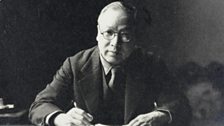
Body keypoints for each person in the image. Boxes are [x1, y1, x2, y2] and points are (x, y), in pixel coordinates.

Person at [29, 1, 191, 126]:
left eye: (125, 35)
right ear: (98, 33)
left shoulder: (151, 65)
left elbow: (181, 105)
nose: (115, 43)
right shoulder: (75, 64)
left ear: (134, 38)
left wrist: (159, 115)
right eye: (108, 33)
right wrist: (61, 118)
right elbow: (40, 105)